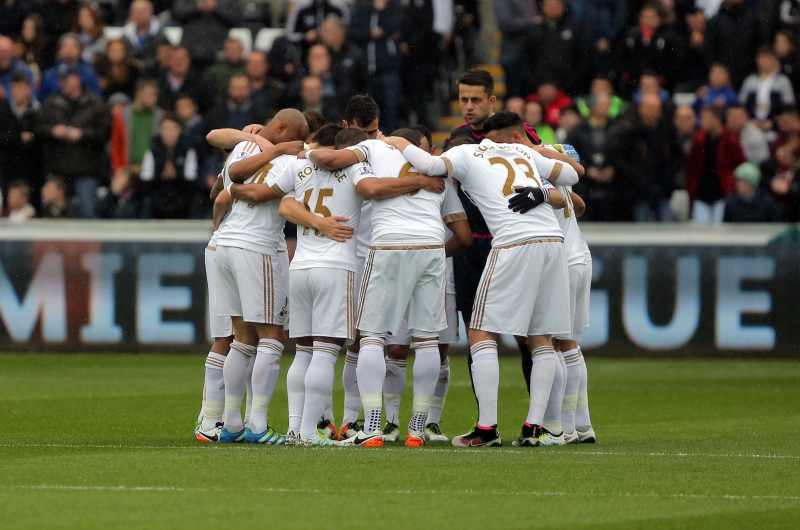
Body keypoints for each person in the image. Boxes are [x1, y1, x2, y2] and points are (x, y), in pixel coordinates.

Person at [388, 111, 580, 447]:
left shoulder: (466, 153)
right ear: (511, 135)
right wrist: (544, 153)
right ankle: (538, 428)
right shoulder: (525, 152)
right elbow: (570, 176)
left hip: (513, 242)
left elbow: (430, 166)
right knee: (541, 336)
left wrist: (397, 142)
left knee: (480, 330)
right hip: (552, 240)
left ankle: (487, 429)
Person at [304, 120, 452, 449]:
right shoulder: (430, 167)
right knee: (426, 339)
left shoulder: (369, 150)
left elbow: (341, 169)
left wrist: (308, 151)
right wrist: (418, 181)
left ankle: (371, 424)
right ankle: (417, 428)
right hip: (431, 244)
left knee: (371, 336)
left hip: (389, 243)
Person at [211, 109, 310, 444]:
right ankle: (257, 425)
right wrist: (282, 151)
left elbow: (232, 175)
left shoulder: (243, 148)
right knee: (271, 335)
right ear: (284, 129)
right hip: (257, 247)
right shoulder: (290, 161)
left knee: (241, 337)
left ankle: (232, 424)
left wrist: (265, 147)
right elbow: (260, 192)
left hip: (224, 243)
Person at [379, 129, 472, 444]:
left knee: (396, 349)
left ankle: (392, 423)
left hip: (396, 264)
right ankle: (425, 424)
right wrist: (429, 252)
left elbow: (463, 237)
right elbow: (463, 236)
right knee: (432, 346)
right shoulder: (435, 181)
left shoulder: (383, 175)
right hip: (433, 271)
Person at [550, 183, 596, 444]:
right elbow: (580, 205)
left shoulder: (538, 182)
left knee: (554, 344)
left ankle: (565, 426)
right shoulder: (561, 186)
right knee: (571, 345)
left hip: (562, 260)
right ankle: (583, 423)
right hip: (581, 256)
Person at [36, 68, 110, 218]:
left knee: (87, 212)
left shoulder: (95, 103)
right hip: (57, 169)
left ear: (78, 79)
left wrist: (82, 134)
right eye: (62, 79)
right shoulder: (50, 103)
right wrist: (52, 131)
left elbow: (104, 132)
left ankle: (90, 242)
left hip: (85, 169)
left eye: (68, 78)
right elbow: (37, 127)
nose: (64, 83)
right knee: (52, 213)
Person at [686, 106, 746, 224]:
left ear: (716, 119)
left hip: (722, 194)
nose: (701, 121)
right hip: (701, 194)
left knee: (721, 231)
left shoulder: (730, 140)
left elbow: (741, 165)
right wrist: (692, 189)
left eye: (705, 118)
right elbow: (691, 168)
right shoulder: (698, 140)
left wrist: (732, 186)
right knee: (701, 233)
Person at [350, 0, 403, 132]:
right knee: (369, 110)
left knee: (390, 108)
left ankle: (390, 139)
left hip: (388, 68)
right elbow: (352, 31)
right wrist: (369, 33)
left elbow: (396, 25)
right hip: (366, 71)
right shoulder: (362, 8)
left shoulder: (394, 7)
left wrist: (381, 11)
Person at [140, 114, 201, 219]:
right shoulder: (152, 151)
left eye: (173, 128)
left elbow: (192, 179)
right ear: (160, 131)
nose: (169, 133)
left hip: (181, 194)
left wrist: (177, 174)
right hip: (157, 194)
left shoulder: (188, 150)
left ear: (179, 131)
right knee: (146, 200)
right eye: (165, 129)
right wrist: (160, 175)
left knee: (194, 199)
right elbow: (145, 180)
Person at [0, 72, 40, 203]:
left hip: (30, 168)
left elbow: (41, 135)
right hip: (7, 167)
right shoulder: (3, 110)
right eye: (14, 88)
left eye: (21, 88)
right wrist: (18, 137)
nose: (17, 92)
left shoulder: (37, 111)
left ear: (29, 89)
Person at [172, 0, 238, 69]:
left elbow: (236, 17)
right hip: (190, 50)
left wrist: (216, 7)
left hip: (218, 52)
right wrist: (197, 6)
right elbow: (177, 12)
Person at [740, 48, 796, 128]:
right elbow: (741, 104)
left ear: (774, 60)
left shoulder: (783, 81)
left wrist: (773, 123)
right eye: (761, 58)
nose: (763, 61)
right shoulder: (750, 81)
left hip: (776, 126)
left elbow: (788, 107)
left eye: (767, 58)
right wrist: (750, 121)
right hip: (751, 124)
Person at [38, 33, 101, 101]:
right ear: (59, 51)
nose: (69, 49)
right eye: (65, 46)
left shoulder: (89, 73)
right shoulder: (50, 74)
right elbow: (42, 98)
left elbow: (96, 98)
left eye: (73, 46)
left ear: (80, 51)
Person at [157, 46, 213, 113]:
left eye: (183, 58)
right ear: (168, 61)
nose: (179, 62)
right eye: (175, 59)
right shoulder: (157, 81)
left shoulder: (201, 83)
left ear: (189, 61)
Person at [123, 0, 163, 72]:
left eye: (143, 11)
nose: (139, 14)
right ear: (131, 14)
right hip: (131, 74)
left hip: (155, 73)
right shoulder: (125, 34)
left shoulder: (161, 34)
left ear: (151, 12)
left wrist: (143, 65)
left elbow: (162, 59)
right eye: (136, 11)